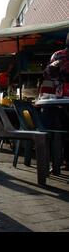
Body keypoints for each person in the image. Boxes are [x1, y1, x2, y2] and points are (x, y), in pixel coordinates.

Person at [41, 33, 69, 171]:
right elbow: (47, 74)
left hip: (58, 100)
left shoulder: (58, 55)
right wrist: (54, 65)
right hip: (56, 100)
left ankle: (60, 162)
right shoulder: (58, 55)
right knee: (53, 130)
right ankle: (54, 163)